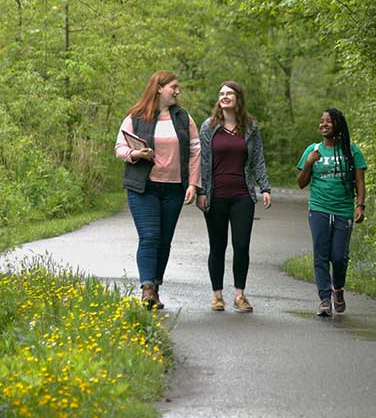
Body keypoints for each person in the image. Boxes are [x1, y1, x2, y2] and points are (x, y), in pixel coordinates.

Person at [115, 71, 201, 309]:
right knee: (150, 236)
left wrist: (193, 183)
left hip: (174, 188)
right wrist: (135, 154)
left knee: (164, 241)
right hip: (144, 188)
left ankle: (155, 287)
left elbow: (195, 152)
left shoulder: (183, 118)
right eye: (173, 87)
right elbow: (120, 147)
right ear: (159, 89)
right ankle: (147, 288)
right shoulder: (136, 116)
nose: (177, 91)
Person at [197, 81, 271, 313]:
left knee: (241, 245)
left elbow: (258, 158)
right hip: (215, 195)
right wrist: (200, 191)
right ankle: (217, 296)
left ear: (238, 97)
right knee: (217, 245)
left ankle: (240, 295)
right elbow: (201, 161)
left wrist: (265, 187)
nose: (224, 96)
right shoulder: (209, 127)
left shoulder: (250, 127)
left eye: (229, 93)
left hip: (242, 195)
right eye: (221, 94)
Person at [297, 108, 367, 317]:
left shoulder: (352, 151)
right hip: (318, 208)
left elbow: (360, 181)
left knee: (338, 256)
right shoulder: (313, 149)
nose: (323, 125)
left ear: (338, 124)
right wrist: (309, 162)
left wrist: (360, 205)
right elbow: (301, 183)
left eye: (328, 121)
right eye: (321, 121)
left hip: (343, 209)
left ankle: (338, 289)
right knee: (321, 254)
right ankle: (324, 298)